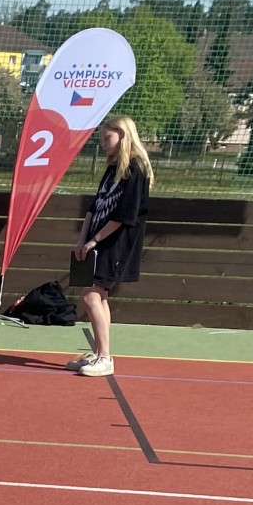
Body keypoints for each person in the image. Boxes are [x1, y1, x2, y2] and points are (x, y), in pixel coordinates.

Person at [68, 115, 152, 379]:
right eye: (102, 138)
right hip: (96, 240)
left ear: (123, 135)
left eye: (108, 138)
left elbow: (124, 216)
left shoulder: (136, 169)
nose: (103, 144)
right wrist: (83, 239)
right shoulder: (112, 169)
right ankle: (99, 353)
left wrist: (96, 239)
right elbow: (94, 208)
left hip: (114, 243)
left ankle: (105, 357)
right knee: (98, 297)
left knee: (90, 296)